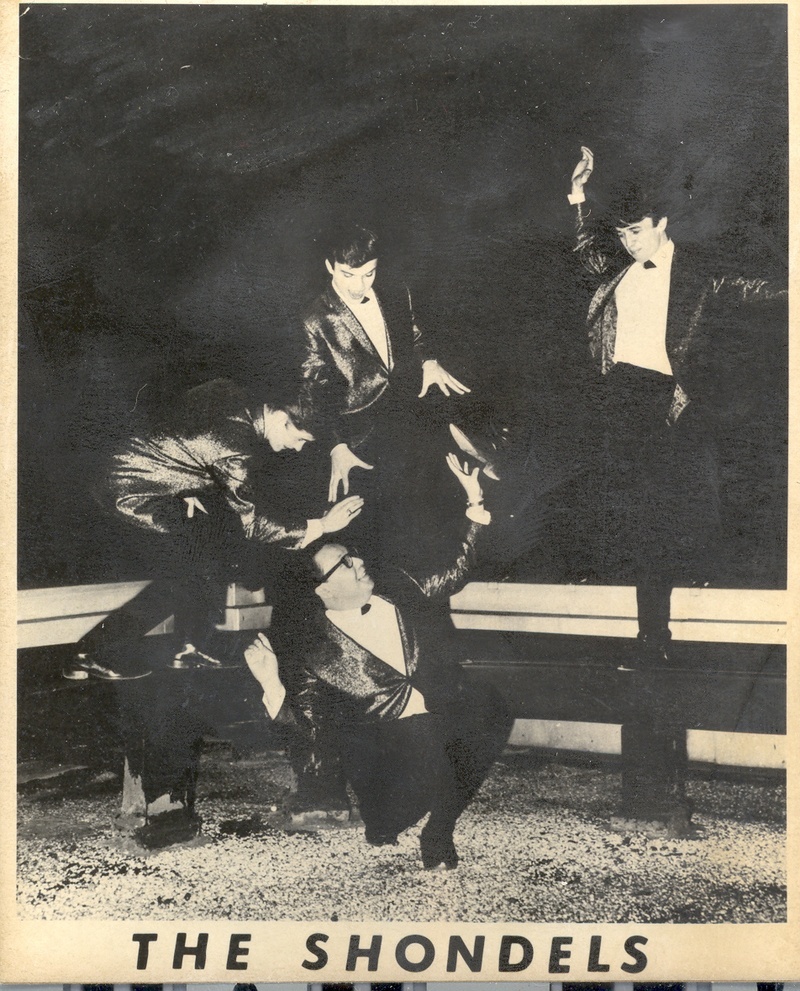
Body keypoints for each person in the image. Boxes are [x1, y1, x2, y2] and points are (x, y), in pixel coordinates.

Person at [567, 146, 786, 831]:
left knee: (663, 562)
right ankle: (648, 778)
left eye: (638, 232)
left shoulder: (699, 273)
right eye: (623, 234)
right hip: (620, 409)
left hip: (668, 410)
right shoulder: (617, 265)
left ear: (663, 223)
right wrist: (579, 196)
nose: (629, 244)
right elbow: (585, 250)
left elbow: (763, 287)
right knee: (638, 564)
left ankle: (661, 781)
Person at [243, 453, 513, 869]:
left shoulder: (397, 587)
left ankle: (438, 830)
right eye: (345, 564)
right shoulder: (313, 656)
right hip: (390, 762)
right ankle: (390, 820)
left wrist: (475, 505)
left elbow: (453, 572)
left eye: (353, 555)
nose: (359, 562)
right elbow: (314, 745)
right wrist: (272, 686)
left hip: (437, 718)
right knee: (425, 747)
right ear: (322, 591)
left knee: (490, 705)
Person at [66, 377, 363, 681]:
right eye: (300, 438)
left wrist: (183, 479)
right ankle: (96, 652)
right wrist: (323, 525)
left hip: (133, 469)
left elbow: (184, 432)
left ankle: (184, 645)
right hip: (128, 490)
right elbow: (253, 523)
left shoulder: (232, 391)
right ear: (280, 417)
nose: (298, 448)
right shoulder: (236, 449)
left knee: (205, 559)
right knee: (192, 570)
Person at [299, 225, 472, 545]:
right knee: (389, 531)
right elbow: (313, 392)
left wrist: (428, 361)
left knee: (437, 513)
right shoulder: (313, 319)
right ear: (329, 267)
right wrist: (336, 446)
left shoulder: (396, 291)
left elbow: (416, 335)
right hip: (363, 438)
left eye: (369, 274)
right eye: (348, 275)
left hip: (413, 414)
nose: (359, 285)